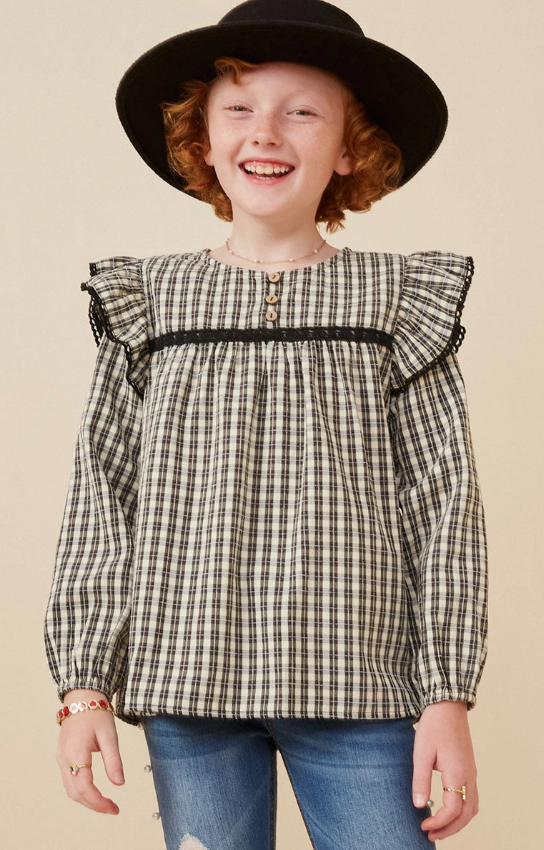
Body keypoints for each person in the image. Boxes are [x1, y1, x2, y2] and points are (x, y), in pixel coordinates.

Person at [44, 2, 488, 848]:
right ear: (203, 143)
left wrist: (447, 692)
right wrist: (83, 687)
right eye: (239, 109)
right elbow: (103, 495)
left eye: (304, 111)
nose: (267, 132)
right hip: (189, 686)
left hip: (364, 688)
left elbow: (444, 503)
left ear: (350, 148)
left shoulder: (400, 303)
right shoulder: (149, 301)